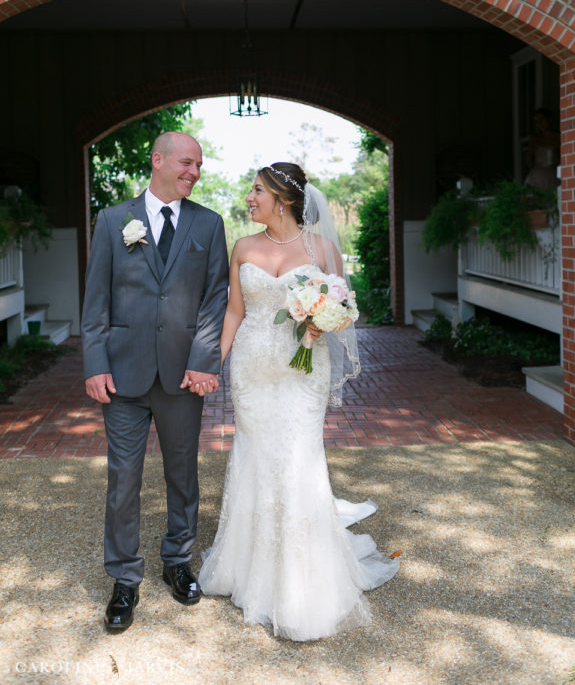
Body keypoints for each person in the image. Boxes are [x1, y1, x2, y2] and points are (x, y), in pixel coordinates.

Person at [198, 162, 399, 641]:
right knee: (256, 458)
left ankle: (302, 578)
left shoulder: (322, 248)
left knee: (298, 459)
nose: (249, 198)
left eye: (257, 191)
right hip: (252, 369)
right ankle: (251, 566)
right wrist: (214, 362)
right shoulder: (243, 246)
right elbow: (234, 309)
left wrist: (323, 321)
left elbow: (345, 309)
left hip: (303, 371)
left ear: (282, 200)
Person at [81, 131, 229, 632]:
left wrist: (206, 361)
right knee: (123, 479)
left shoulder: (209, 225)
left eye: (200, 165)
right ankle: (124, 579)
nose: (195, 172)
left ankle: (177, 561)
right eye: (187, 162)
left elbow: (215, 300)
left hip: (183, 375)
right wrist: (94, 363)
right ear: (158, 160)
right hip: (122, 374)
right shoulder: (112, 221)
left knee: (182, 474)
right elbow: (95, 300)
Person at [524, 107, 560, 189]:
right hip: (537, 176)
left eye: (542, 120)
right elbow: (529, 164)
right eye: (537, 122)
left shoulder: (558, 137)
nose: (540, 124)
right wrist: (530, 153)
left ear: (549, 119)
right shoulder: (535, 139)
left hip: (553, 175)